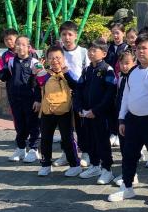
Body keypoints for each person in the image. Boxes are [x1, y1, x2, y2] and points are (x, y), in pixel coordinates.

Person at [109, 31, 148, 204]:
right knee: (129, 155)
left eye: (144, 48)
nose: (141, 51)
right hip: (132, 120)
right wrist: (122, 119)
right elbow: (126, 96)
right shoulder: (133, 72)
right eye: (138, 48)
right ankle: (127, 187)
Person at [72, 39, 117, 184]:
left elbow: (110, 94)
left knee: (102, 142)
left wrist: (96, 111)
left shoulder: (107, 70)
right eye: (89, 50)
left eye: (94, 50)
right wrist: (79, 107)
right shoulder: (87, 70)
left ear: (104, 53)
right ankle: (95, 165)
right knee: (90, 140)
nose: (91, 53)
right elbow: (79, 89)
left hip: (101, 115)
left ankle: (107, 170)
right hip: (86, 114)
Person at [0, 36, 41, 163]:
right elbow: (5, 76)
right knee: (20, 125)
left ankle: (34, 150)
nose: (20, 47)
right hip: (16, 100)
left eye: (23, 44)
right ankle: (21, 148)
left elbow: (40, 83)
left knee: (33, 125)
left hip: (31, 101)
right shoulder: (11, 61)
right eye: (18, 44)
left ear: (29, 47)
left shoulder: (35, 62)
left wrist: (38, 99)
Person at [35, 46, 81, 177]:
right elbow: (38, 85)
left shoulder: (69, 73)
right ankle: (46, 164)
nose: (55, 60)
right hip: (47, 111)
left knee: (67, 139)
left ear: (63, 58)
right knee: (45, 139)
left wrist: (65, 74)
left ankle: (75, 165)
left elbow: (76, 86)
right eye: (51, 58)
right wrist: (37, 71)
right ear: (47, 60)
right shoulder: (45, 74)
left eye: (58, 57)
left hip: (64, 111)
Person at [53, 21, 90, 168]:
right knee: (64, 127)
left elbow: (87, 73)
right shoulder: (57, 52)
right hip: (60, 94)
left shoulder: (83, 52)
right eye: (64, 34)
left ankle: (86, 153)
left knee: (81, 126)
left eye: (70, 34)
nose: (67, 37)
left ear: (76, 35)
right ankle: (66, 154)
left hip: (79, 94)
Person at [111, 49, 140, 187]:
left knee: (130, 149)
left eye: (127, 63)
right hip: (121, 117)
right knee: (123, 147)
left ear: (134, 62)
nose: (124, 66)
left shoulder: (136, 78)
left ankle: (132, 175)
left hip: (132, 117)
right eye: (122, 63)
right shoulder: (121, 77)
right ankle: (126, 173)